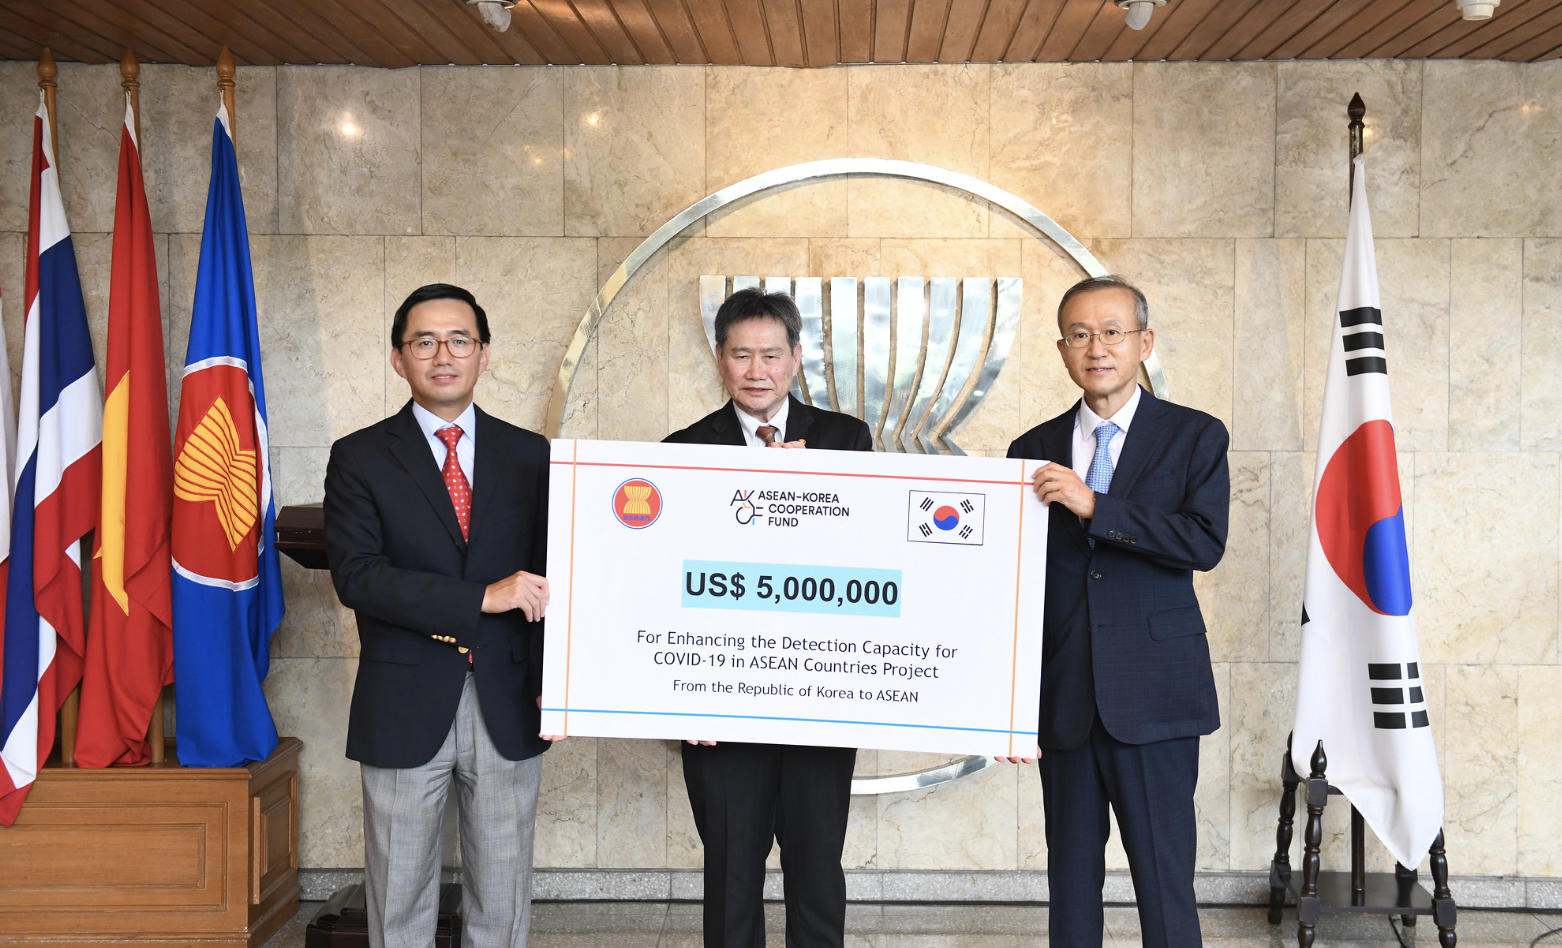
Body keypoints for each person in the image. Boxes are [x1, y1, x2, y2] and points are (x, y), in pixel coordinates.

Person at [324, 283, 561, 948]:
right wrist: (480, 597)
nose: (443, 355)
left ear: (484, 354)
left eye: (460, 339)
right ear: (398, 359)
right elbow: (358, 576)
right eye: (424, 342)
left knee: (502, 895)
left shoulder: (532, 455)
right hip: (402, 698)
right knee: (398, 896)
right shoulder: (359, 456)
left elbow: (560, 574)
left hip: (508, 698)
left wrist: (560, 685)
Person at [1001, 276, 1229, 948]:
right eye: (1079, 335)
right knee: (1071, 888)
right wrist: (1005, 704)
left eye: (1111, 333)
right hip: (1064, 699)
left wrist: (1096, 506)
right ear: (1062, 350)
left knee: (1164, 883)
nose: (1095, 348)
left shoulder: (1194, 435)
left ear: (1143, 343)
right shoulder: (1029, 448)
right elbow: (1013, 581)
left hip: (1155, 696)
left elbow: (1203, 542)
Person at [664, 288, 873, 948]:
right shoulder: (682, 449)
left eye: (772, 355)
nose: (757, 371)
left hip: (820, 693)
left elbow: (866, 558)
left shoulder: (845, 440)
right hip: (720, 701)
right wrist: (678, 697)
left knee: (817, 868)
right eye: (742, 355)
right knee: (730, 874)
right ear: (719, 357)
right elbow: (667, 578)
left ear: (797, 357)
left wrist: (810, 491)